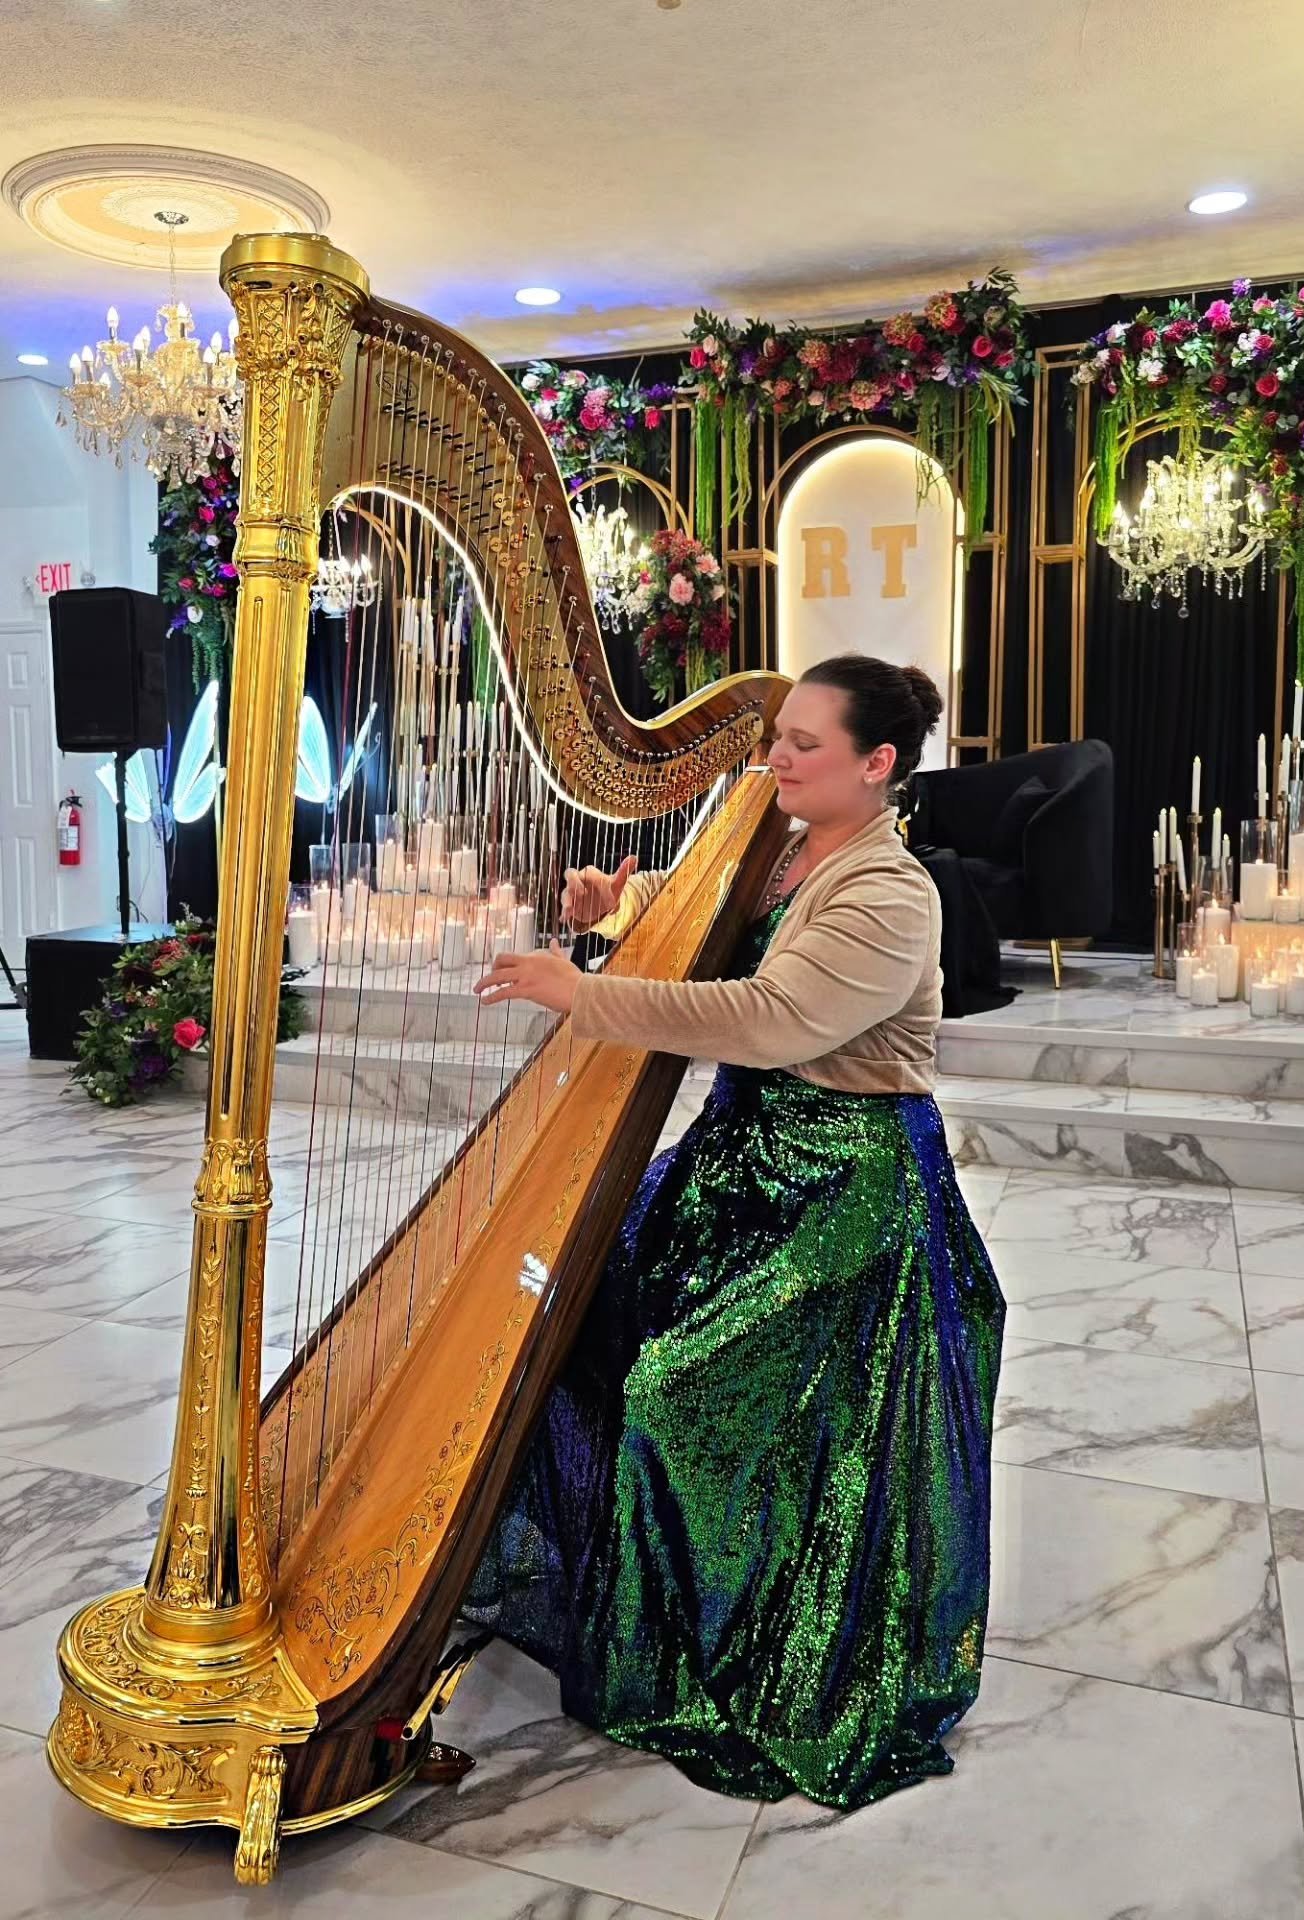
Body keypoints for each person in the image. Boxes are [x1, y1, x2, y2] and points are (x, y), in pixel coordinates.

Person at [467, 653, 1006, 1811]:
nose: (777, 758)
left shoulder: (890, 893)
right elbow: (708, 935)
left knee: (676, 1387)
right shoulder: (784, 848)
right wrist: (614, 915)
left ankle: (734, 1643)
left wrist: (581, 991)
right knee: (578, 1318)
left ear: (879, 765)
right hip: (742, 1160)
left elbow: (770, 1017)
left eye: (806, 745)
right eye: (780, 737)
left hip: (843, 1190)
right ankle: (635, 1599)